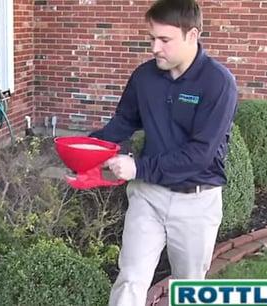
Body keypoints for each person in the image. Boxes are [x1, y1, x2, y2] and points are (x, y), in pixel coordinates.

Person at [89, 0, 238, 305]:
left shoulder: (218, 83)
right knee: (130, 278)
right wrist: (89, 151)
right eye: (152, 39)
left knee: (189, 287)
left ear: (192, 35)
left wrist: (137, 168)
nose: (155, 48)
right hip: (148, 196)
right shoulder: (145, 77)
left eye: (164, 40)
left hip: (197, 201)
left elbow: (200, 155)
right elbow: (124, 122)